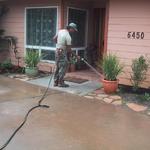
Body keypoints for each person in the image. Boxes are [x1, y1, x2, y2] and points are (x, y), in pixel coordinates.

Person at [53, 23, 78, 87]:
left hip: (57, 51)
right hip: (62, 52)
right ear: (70, 28)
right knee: (64, 66)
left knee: (58, 66)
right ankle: (60, 83)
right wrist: (76, 55)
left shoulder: (60, 31)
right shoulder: (68, 37)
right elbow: (69, 49)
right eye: (74, 30)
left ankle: (55, 82)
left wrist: (58, 45)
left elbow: (54, 39)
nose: (74, 31)